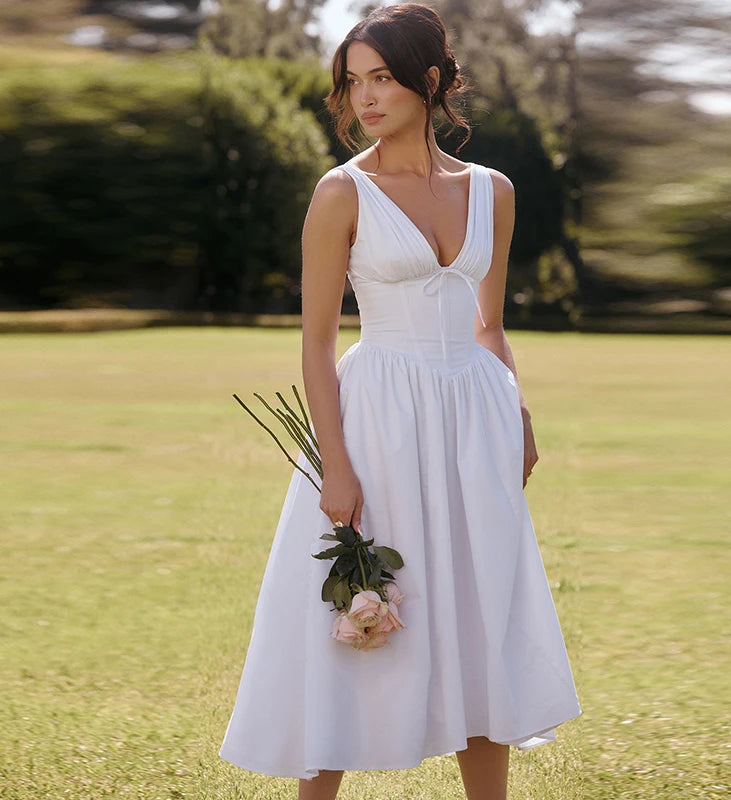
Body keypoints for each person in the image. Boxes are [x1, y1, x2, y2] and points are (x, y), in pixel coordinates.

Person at [217, 4, 581, 799]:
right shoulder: (341, 193)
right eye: (353, 83)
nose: (366, 99)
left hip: (475, 425)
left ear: (432, 79)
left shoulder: (495, 191)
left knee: (478, 615)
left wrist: (519, 415)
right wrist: (335, 466)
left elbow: (491, 323)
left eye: (381, 78)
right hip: (378, 419)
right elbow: (316, 342)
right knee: (354, 620)